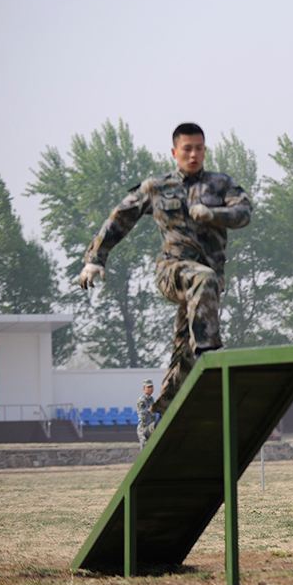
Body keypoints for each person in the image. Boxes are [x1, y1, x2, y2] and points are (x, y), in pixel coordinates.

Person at [78, 122, 252, 415]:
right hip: (172, 271)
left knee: (184, 345)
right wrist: (95, 258)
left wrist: (213, 214)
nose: (193, 155)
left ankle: (165, 409)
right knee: (203, 282)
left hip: (207, 287)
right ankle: (210, 357)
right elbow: (120, 217)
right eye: (187, 149)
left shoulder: (221, 184)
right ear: (174, 152)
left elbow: (244, 213)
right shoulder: (157, 187)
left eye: (199, 149)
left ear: (205, 150)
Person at [136, 379, 156, 449]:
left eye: (151, 386)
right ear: (144, 388)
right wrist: (150, 410)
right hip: (143, 429)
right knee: (145, 450)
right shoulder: (142, 400)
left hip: (151, 428)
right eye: (148, 387)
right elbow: (142, 415)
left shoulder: (152, 399)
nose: (151, 388)